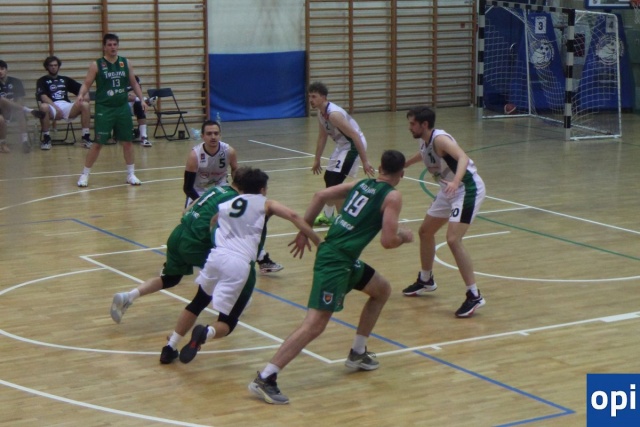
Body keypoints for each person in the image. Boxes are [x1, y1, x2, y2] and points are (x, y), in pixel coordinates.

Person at [249, 150, 413, 405]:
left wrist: (305, 229)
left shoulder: (362, 183)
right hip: (336, 262)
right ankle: (266, 377)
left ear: (380, 168)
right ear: (401, 174)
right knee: (315, 324)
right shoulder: (393, 196)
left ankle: (358, 352)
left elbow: (320, 194)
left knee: (382, 289)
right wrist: (404, 236)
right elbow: (388, 241)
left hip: (344, 258)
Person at [161, 167, 321, 365]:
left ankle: (170, 347)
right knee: (228, 321)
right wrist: (317, 240)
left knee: (198, 302)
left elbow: (213, 221)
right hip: (239, 264)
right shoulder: (266, 203)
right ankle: (206, 332)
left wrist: (216, 238)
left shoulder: (228, 203)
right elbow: (294, 216)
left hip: (216, 257)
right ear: (262, 189)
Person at [109, 168, 246, 326]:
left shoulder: (217, 189)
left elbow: (186, 210)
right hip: (194, 242)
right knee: (223, 272)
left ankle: (128, 296)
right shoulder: (235, 200)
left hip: (178, 234)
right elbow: (215, 223)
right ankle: (227, 314)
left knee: (170, 279)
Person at [400, 106, 487, 318]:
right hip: (448, 190)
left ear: (424, 124)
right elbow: (424, 154)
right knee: (425, 231)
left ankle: (474, 295)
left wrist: (456, 181)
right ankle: (426, 279)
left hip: (466, 189)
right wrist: (405, 164)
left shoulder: (440, 139)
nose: (409, 127)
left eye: (412, 123)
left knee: (453, 239)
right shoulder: (424, 140)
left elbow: (463, 158)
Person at [183, 119, 283, 274]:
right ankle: (181, 257)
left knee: (241, 224)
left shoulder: (229, 151)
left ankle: (263, 259)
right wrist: (201, 201)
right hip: (199, 192)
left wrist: (242, 194)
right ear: (202, 136)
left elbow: (237, 175)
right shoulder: (195, 155)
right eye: (209, 134)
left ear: (220, 135)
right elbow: (187, 187)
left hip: (223, 190)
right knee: (190, 224)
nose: (213, 137)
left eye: (216, 133)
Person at [74, 33, 147, 187]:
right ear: (104, 47)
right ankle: (84, 175)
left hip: (122, 107)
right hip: (104, 108)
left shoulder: (126, 63)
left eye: (115, 44)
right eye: (109, 45)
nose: (113, 47)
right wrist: (81, 94)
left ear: (118, 46)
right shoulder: (96, 65)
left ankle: (131, 174)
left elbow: (134, 83)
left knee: (127, 142)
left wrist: (142, 99)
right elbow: (86, 83)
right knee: (98, 143)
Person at [307, 81, 375, 226]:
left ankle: (343, 220)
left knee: (336, 183)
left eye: (314, 96)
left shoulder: (334, 114)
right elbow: (322, 136)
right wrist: (317, 159)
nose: (311, 100)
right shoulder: (321, 113)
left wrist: (365, 161)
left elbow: (355, 135)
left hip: (353, 146)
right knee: (329, 178)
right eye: (310, 96)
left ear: (323, 97)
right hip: (342, 145)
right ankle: (328, 215)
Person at [36, 55, 92, 151]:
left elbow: (83, 89)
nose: (53, 67)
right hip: (51, 107)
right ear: (47, 67)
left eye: (55, 65)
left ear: (58, 66)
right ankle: (46, 138)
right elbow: (43, 97)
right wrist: (56, 108)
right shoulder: (42, 81)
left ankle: (85, 137)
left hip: (66, 106)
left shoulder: (65, 79)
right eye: (51, 65)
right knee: (43, 106)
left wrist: (85, 96)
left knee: (85, 105)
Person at [0, 59, 45, 153]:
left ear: (6, 70)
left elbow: (20, 100)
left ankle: (24, 142)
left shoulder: (16, 82)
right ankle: (3, 144)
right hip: (1, 112)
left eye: (2, 69)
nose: (0, 71)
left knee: (20, 113)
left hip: (14, 109)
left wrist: (14, 106)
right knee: (1, 104)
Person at [127, 75, 153, 147]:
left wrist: (138, 98)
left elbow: (138, 91)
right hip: (120, 105)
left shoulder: (135, 78)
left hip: (133, 103)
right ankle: (146, 100)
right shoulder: (119, 78)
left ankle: (144, 137)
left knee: (140, 106)